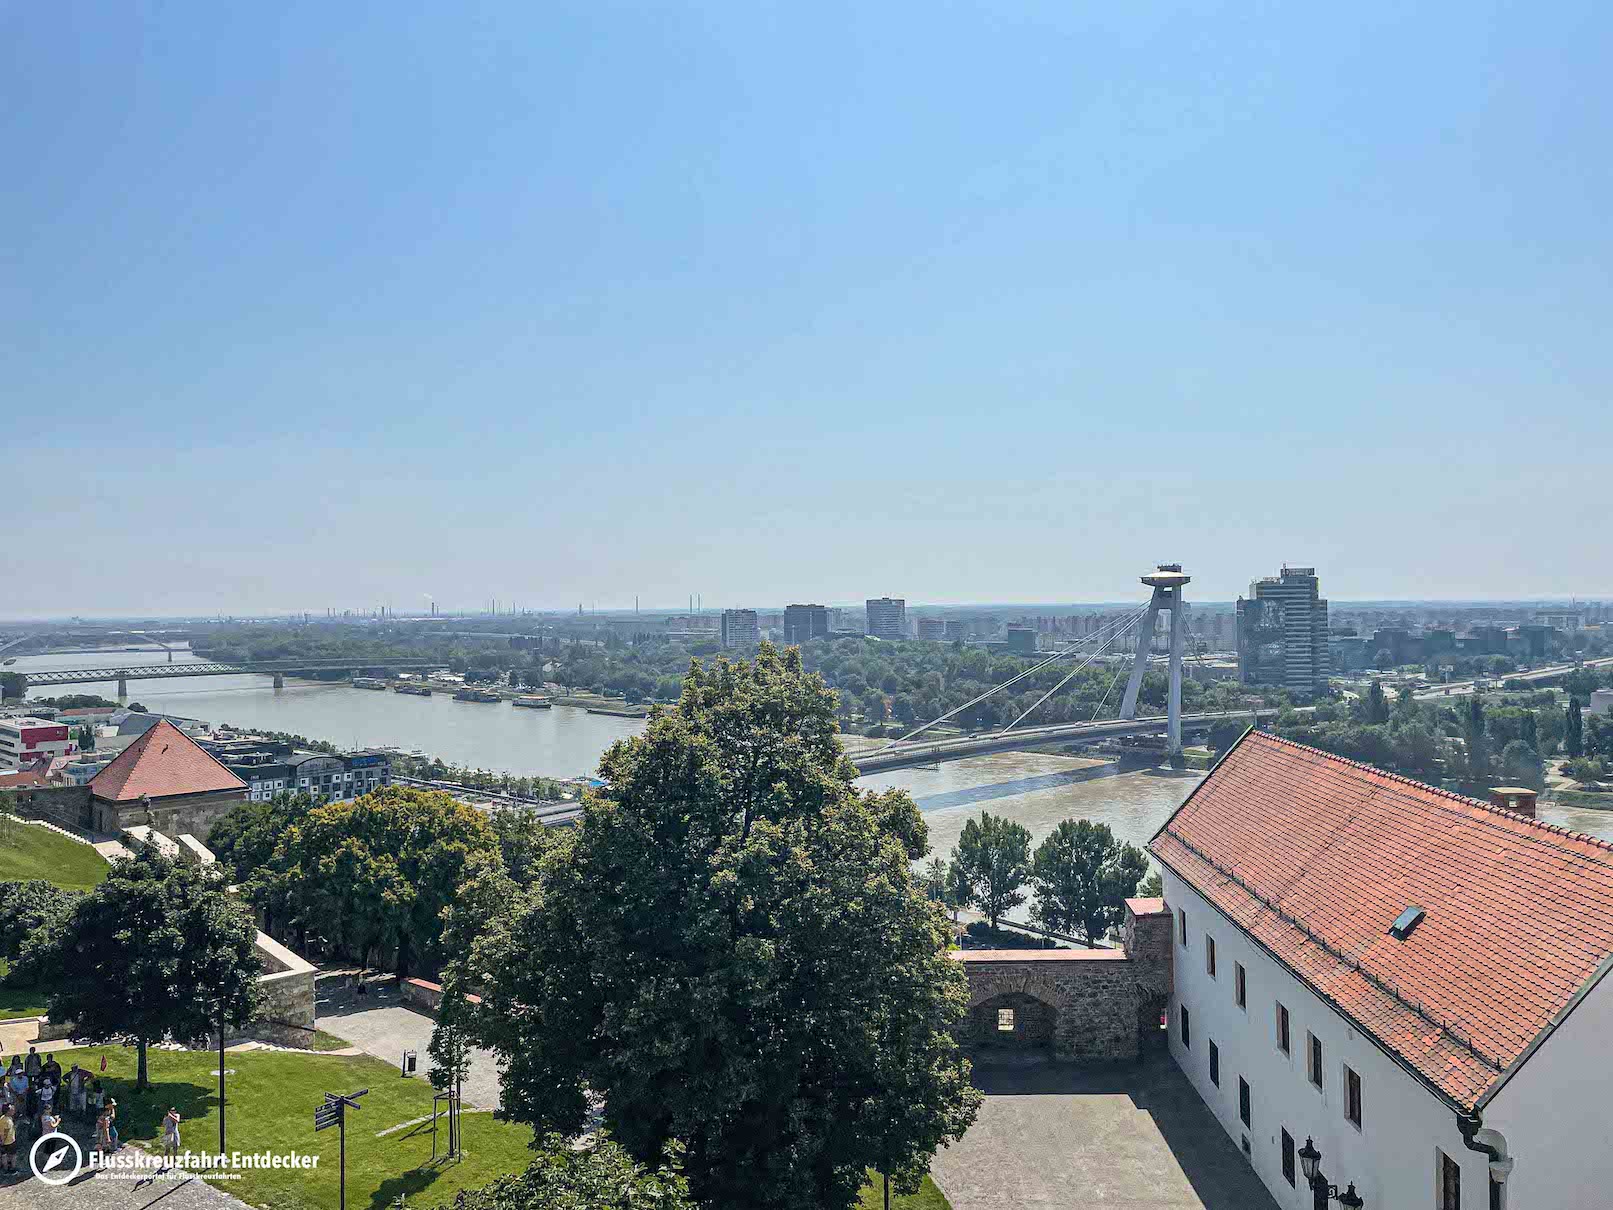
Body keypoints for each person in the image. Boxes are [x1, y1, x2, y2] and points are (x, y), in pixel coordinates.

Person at [0, 1105, 15, 1175]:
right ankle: (8, 1169)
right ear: (7, 1111)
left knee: (9, 1155)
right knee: (6, 1155)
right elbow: (4, 1132)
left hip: (11, 1140)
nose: (13, 1111)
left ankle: (10, 1167)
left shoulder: (9, 1118)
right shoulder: (4, 1120)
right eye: (11, 1110)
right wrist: (3, 1141)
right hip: (7, 1141)